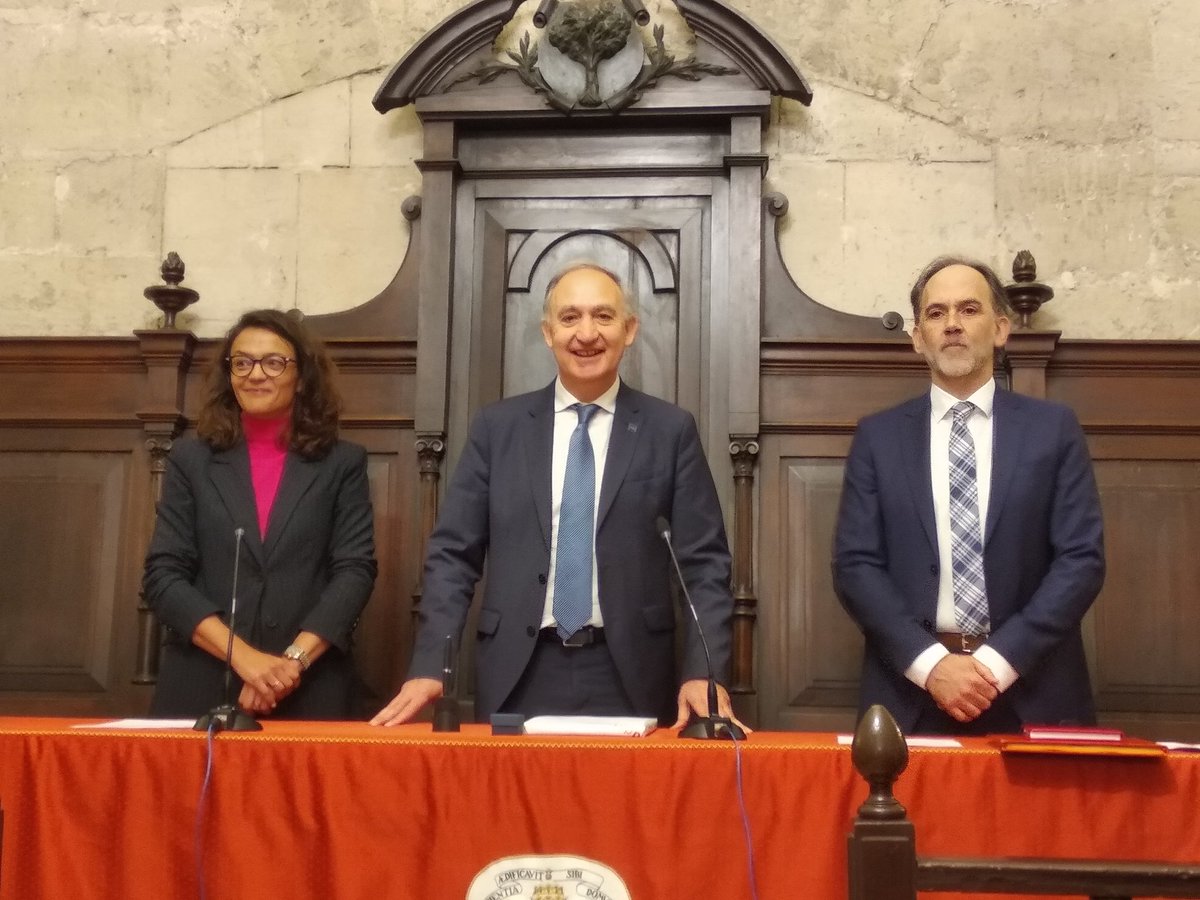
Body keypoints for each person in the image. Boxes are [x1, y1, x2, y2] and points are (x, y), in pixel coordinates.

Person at [371, 262, 740, 729]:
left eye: (603, 317)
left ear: (629, 330)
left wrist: (704, 674)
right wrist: (429, 665)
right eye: (570, 318)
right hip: (518, 669)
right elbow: (452, 556)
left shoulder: (669, 430)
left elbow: (704, 565)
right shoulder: (497, 428)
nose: (586, 333)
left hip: (629, 672)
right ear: (548, 333)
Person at [833, 256, 1105, 735]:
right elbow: (855, 566)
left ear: (1000, 329)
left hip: (1032, 689)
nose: (952, 325)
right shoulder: (878, 438)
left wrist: (997, 664)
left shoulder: (1053, 431)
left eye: (969, 310)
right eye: (936, 314)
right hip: (910, 695)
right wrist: (932, 665)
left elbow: (1080, 561)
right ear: (918, 337)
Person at [143, 308, 377, 720]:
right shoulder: (191, 460)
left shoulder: (342, 462)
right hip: (203, 681)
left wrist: (290, 664)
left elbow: (354, 571)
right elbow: (163, 576)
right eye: (242, 362)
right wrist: (246, 659)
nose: (255, 374)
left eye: (273, 362)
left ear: (302, 376)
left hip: (310, 686)